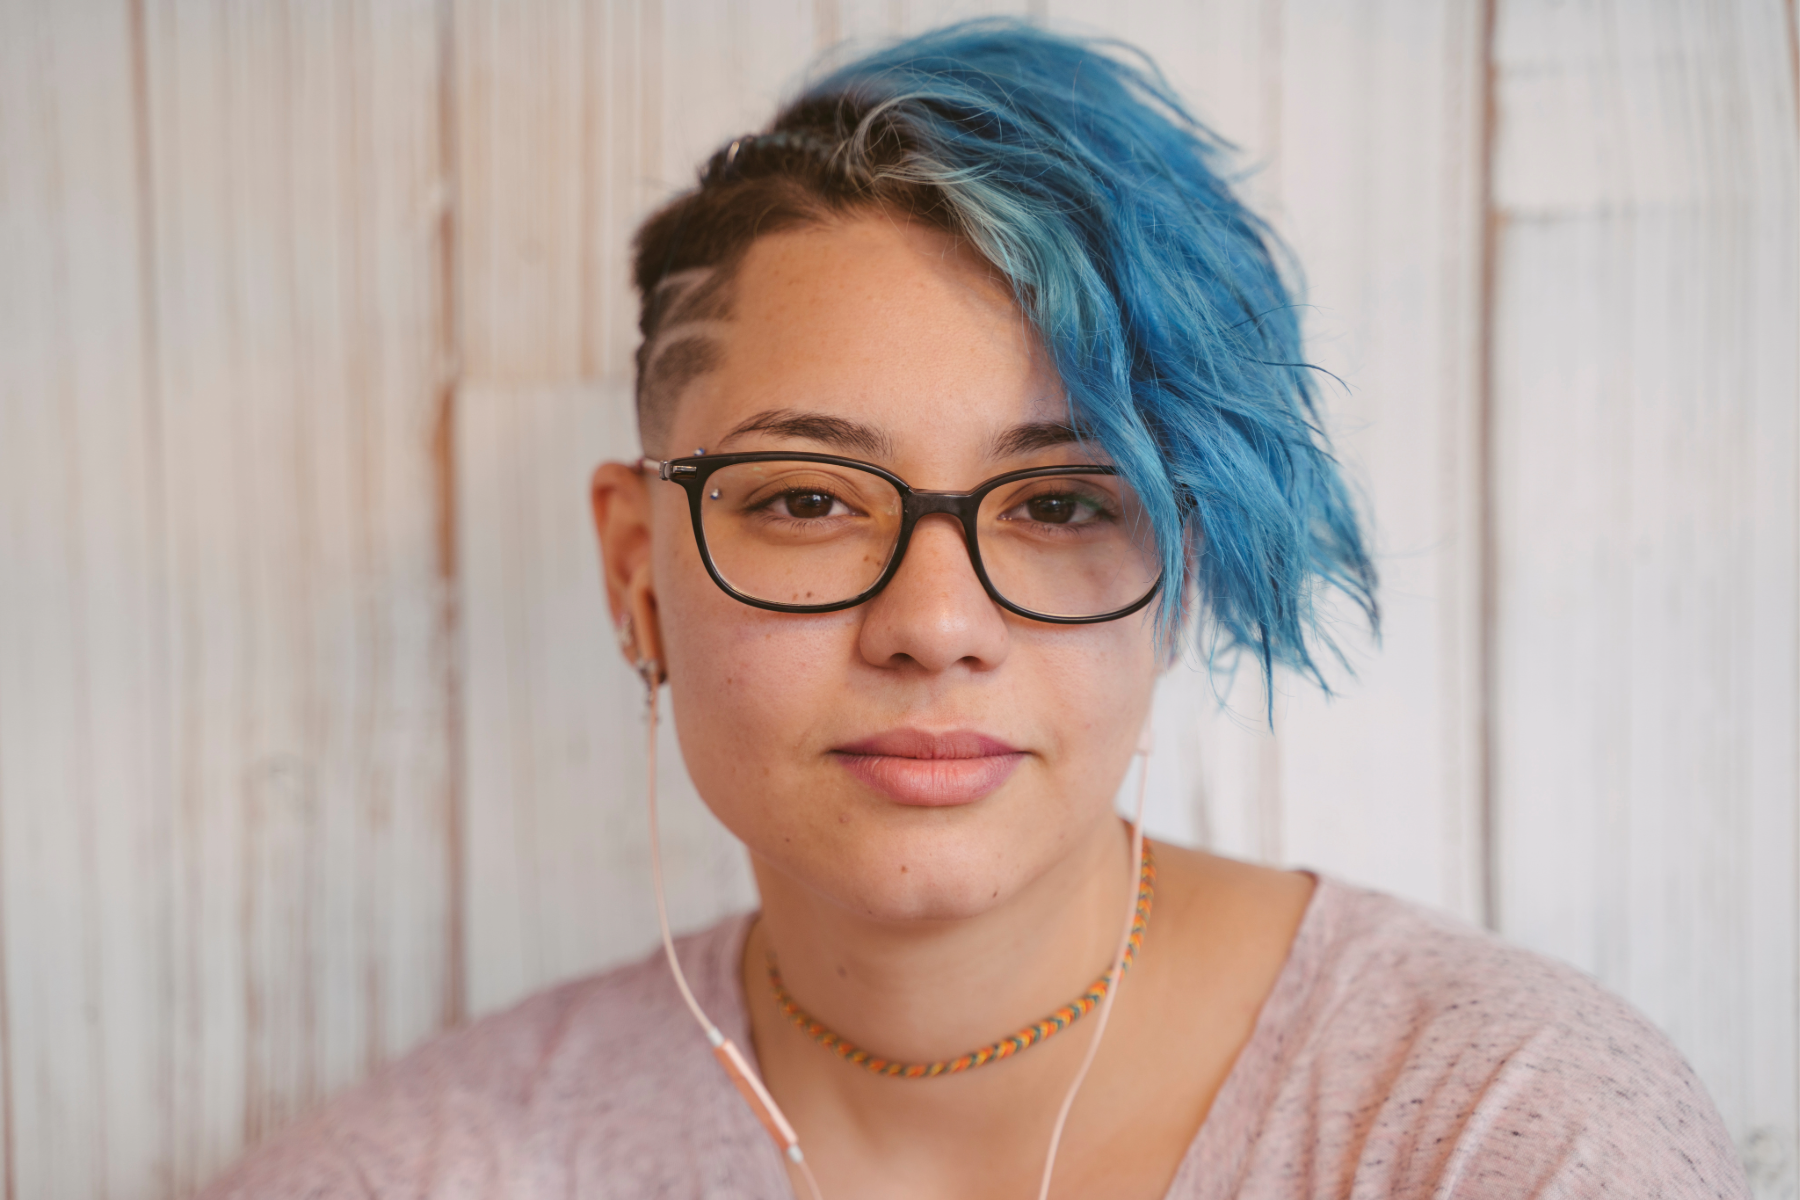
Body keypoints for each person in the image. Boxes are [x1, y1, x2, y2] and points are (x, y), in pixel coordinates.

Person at [200, 19, 1750, 1200]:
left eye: (1063, 502)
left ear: (1186, 554)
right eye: (807, 498)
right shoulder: (413, 1172)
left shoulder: (1507, 1132)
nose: (935, 623)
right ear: (636, 570)